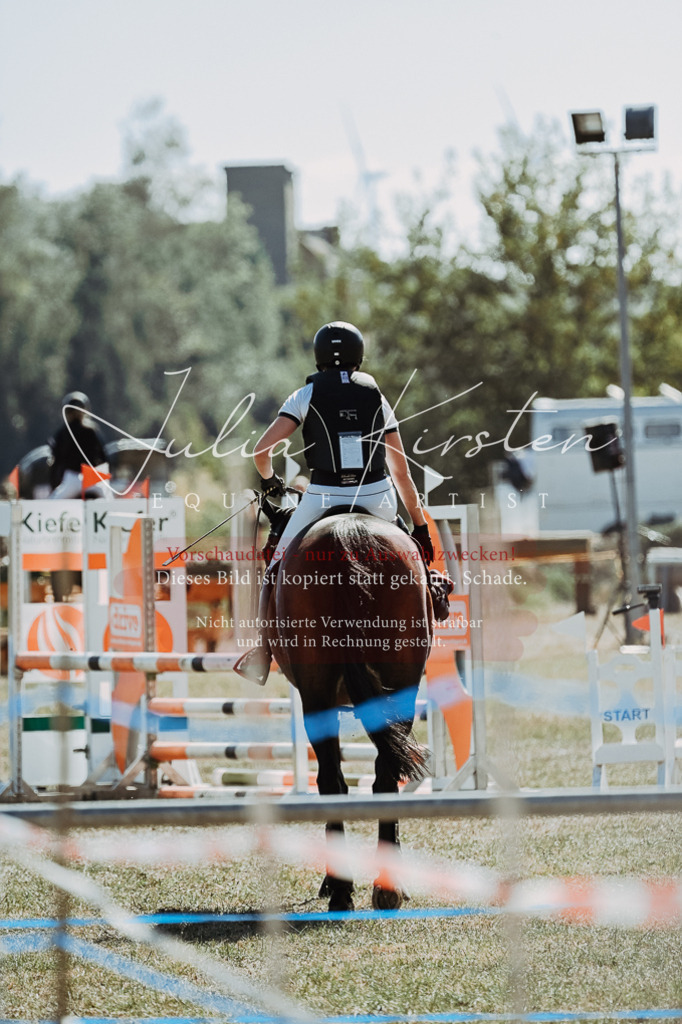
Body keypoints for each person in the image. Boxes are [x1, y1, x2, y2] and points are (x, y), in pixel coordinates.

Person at [234, 321, 437, 684]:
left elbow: (261, 451)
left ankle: (262, 652)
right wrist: (419, 527)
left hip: (323, 497)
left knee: (276, 564)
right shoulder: (376, 396)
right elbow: (401, 472)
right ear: (359, 356)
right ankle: (421, 642)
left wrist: (269, 480)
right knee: (414, 564)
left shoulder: (304, 395)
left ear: (319, 357)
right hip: (377, 497)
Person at [48, 391, 108, 499]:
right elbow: (104, 457)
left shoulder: (62, 432)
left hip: (71, 479)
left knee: (52, 501)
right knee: (109, 500)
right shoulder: (92, 430)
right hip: (92, 478)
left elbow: (56, 462)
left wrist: (54, 485)